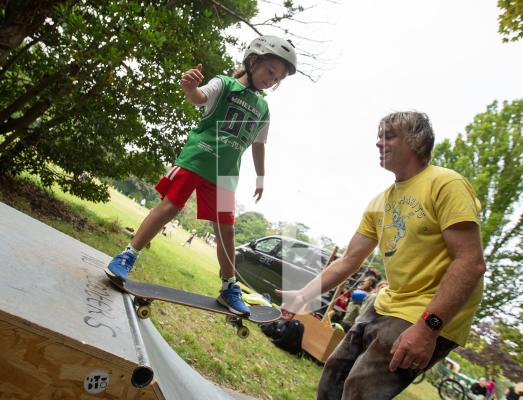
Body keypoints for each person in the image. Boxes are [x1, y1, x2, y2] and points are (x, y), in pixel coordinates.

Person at [276, 111, 486, 399]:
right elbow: (349, 260)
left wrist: (428, 328)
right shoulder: (380, 202)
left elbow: (470, 263)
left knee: (359, 391)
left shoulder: (446, 184)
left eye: (388, 136)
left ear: (415, 142)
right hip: (387, 303)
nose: (378, 143)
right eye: (379, 136)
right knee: (332, 378)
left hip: (425, 314)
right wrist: (303, 295)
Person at [106, 35, 297, 316]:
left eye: (278, 78)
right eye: (270, 72)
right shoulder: (225, 84)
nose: (272, 80)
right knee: (170, 207)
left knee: (226, 230)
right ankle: (128, 255)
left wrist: (260, 177)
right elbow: (199, 97)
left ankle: (229, 287)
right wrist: (190, 87)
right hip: (197, 157)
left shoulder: (263, 109)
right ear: (253, 61)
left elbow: (258, 144)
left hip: (225, 174)